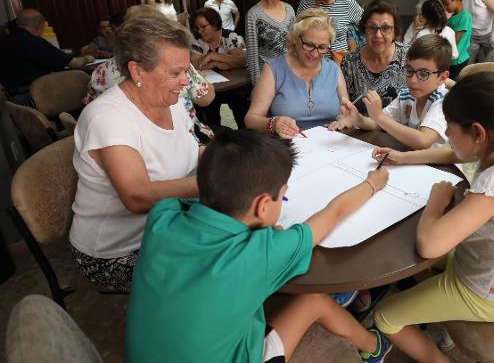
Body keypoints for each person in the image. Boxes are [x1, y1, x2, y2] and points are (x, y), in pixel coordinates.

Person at [125, 128, 393, 363]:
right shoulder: (262, 251)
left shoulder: (162, 215)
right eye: (283, 196)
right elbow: (332, 214)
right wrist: (372, 183)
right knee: (314, 301)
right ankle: (375, 348)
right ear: (263, 205)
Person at [369, 72, 494, 363]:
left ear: (478, 133)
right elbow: (453, 154)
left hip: (484, 293)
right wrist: (402, 157)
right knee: (415, 262)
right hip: (482, 263)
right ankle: (436, 316)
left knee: (385, 316)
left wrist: (436, 201)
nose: (445, 133)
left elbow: (429, 245)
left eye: (450, 127)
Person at [70, 16, 204, 292]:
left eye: (186, 71)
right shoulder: (108, 118)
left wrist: (235, 159)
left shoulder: (172, 102)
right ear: (138, 71)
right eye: (176, 72)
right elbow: (137, 197)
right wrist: (218, 183)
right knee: (219, 264)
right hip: (117, 251)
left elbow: (189, 151)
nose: (185, 81)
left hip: (167, 226)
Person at [84, 4, 216, 143]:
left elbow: (90, 106)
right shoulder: (171, 65)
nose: (183, 79)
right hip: (182, 140)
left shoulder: (99, 72)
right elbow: (206, 98)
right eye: (177, 73)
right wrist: (200, 77)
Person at [329, 35, 452, 151]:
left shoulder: (444, 101)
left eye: (423, 74)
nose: (413, 80)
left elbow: (423, 141)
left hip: (442, 169)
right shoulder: (407, 96)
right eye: (409, 70)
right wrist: (358, 119)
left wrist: (379, 116)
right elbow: (378, 124)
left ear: (442, 77)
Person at [245, 8, 348, 138]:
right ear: (295, 39)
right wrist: (274, 123)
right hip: (288, 146)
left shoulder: (334, 69)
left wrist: (345, 119)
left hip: (329, 145)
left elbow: (346, 113)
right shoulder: (274, 69)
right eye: (309, 45)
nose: (315, 54)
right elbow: (251, 119)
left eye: (322, 47)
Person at [0, 8, 94, 106]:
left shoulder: (3, 42)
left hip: (13, 101)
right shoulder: (34, 42)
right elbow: (74, 63)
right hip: (36, 98)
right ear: (41, 26)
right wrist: (87, 58)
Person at [341, 0, 408, 114]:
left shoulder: (409, 56)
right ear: (364, 30)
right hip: (359, 129)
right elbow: (345, 107)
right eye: (372, 27)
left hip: (400, 130)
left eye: (385, 28)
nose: (378, 35)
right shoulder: (350, 62)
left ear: (395, 32)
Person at [190, 7, 248, 128]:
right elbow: (195, 65)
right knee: (210, 117)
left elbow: (241, 60)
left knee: (242, 113)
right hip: (212, 88)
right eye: (197, 28)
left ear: (215, 24)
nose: (199, 31)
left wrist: (213, 55)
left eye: (203, 26)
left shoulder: (229, 36)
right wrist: (219, 63)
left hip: (234, 86)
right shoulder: (197, 41)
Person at [297, 0, 363, 64]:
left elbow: (366, 25)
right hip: (312, 60)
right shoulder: (306, 1)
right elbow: (296, 31)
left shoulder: (348, 2)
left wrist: (354, 45)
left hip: (339, 62)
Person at [245, 0, 296, 85]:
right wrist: (257, 86)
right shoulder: (254, 15)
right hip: (268, 78)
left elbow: (296, 44)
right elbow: (252, 55)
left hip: (291, 73)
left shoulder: (289, 9)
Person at [439, 0, 472, 79]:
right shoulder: (452, 18)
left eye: (447, 3)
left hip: (459, 60)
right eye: (443, 4)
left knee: (454, 86)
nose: (445, 7)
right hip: (451, 60)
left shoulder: (464, 16)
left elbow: (455, 39)